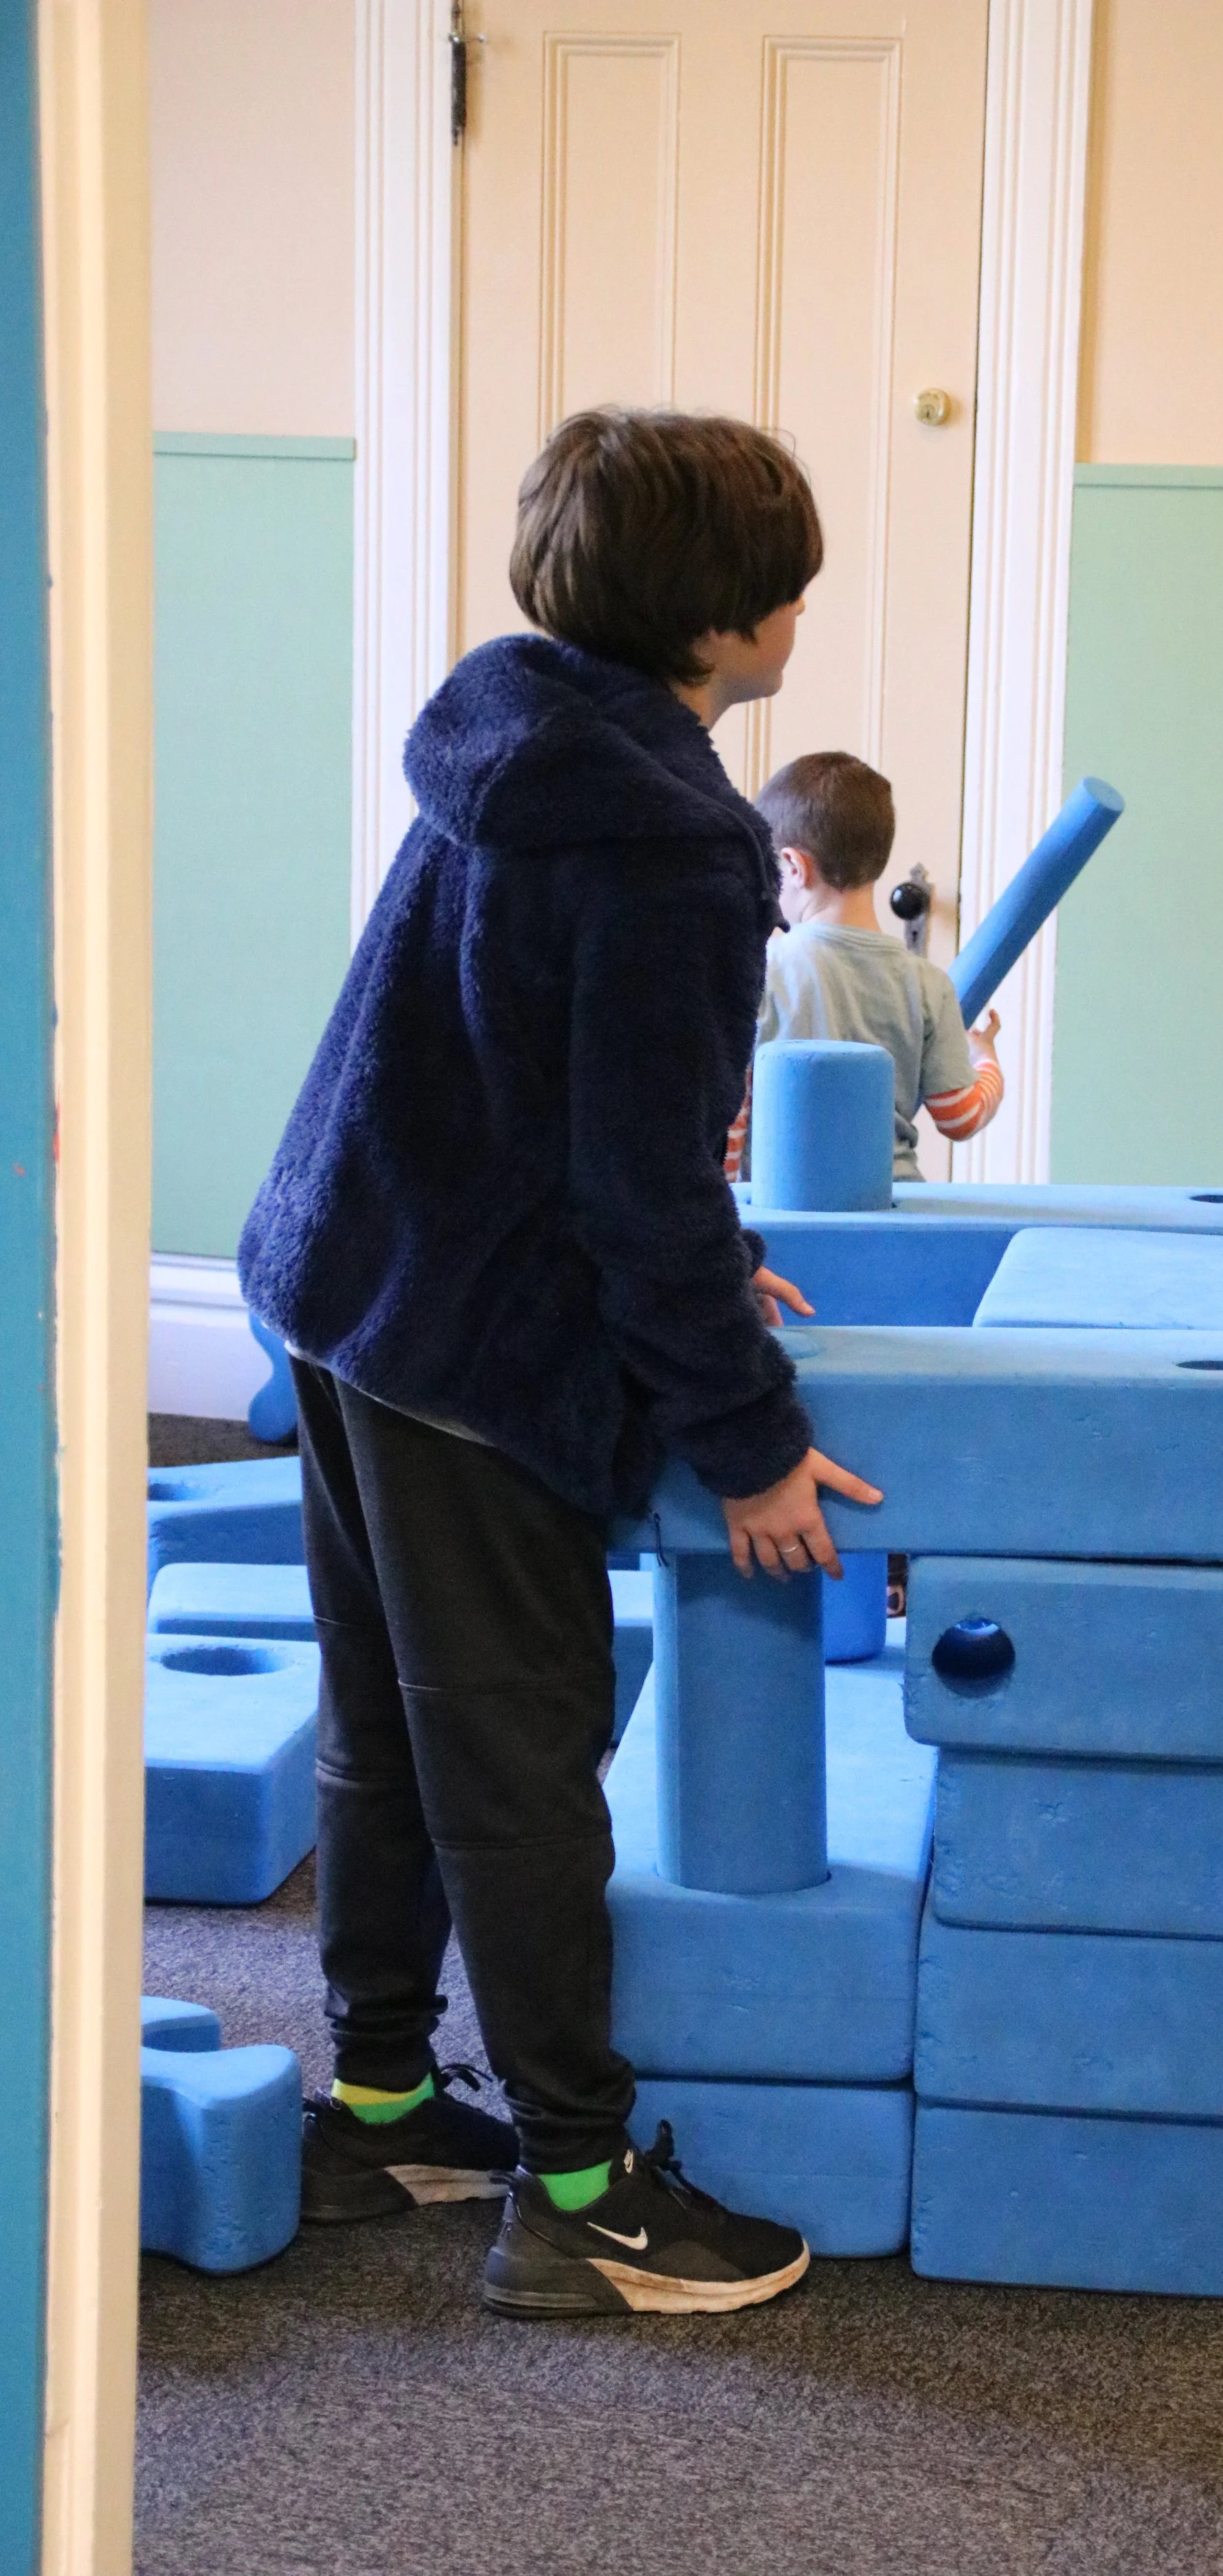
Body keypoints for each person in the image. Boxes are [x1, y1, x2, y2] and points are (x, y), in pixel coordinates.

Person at [238, 408, 882, 2320]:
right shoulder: (682, 846)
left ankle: (377, 2103)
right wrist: (748, 1441)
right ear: (726, 621)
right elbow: (633, 1187)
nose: (797, 611)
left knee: (387, 1718)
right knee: (521, 1758)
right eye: (786, 585)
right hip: (466, 1343)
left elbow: (529, 1071)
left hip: (343, 1276)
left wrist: (714, 1258)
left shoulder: (509, 728)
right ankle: (583, 2191)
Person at [726, 750, 1004, 1183]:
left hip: (783, 1208)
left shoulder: (759, 969)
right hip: (890, 1212)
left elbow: (732, 1118)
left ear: (793, 867)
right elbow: (959, 1116)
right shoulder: (929, 984)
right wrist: (986, 1061)